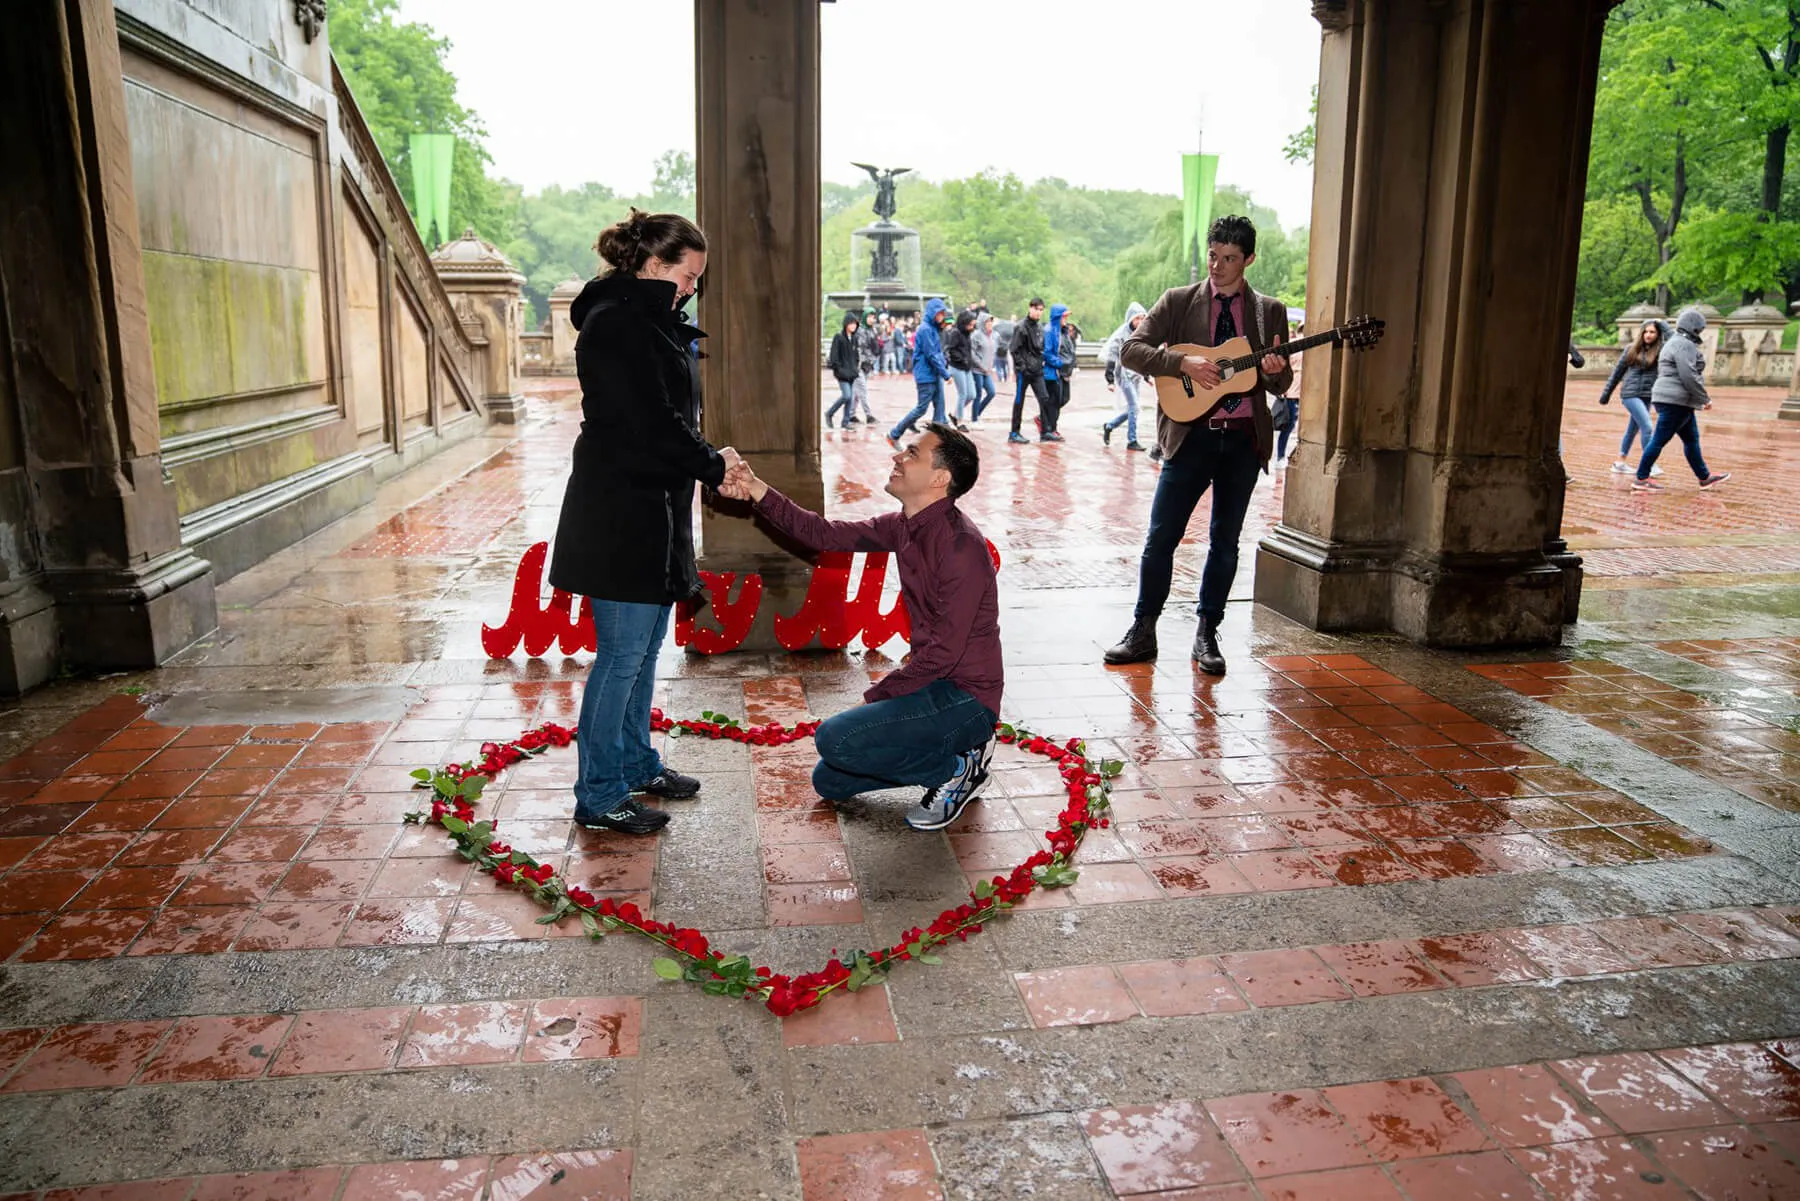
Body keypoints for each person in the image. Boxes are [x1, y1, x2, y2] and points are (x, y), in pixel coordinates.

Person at [548, 208, 742, 835]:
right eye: (689, 277)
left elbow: (670, 419)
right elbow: (650, 424)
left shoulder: (644, 319)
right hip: (621, 513)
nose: (692, 290)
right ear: (655, 265)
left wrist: (710, 456)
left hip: (653, 510)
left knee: (644, 649)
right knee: (622, 656)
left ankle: (634, 762)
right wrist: (713, 465)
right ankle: (600, 795)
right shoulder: (618, 324)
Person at [718, 425, 1000, 831]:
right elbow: (821, 534)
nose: (897, 458)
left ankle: (957, 768)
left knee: (835, 739)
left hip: (967, 696)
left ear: (940, 479)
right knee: (829, 780)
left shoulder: (961, 548)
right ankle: (948, 756)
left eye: (912, 454)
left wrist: (874, 698)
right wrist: (754, 486)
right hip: (932, 684)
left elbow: (944, 654)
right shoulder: (903, 524)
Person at [1105, 215, 1291, 674]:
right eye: (1213, 255)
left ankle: (1207, 633)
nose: (1218, 266)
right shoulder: (1178, 300)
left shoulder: (1269, 311)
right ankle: (1143, 629)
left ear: (1248, 259)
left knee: (1224, 543)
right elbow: (1132, 350)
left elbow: (1280, 381)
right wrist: (1181, 363)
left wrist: (1271, 367)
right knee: (1161, 537)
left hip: (1244, 441)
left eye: (1230, 259)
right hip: (1189, 438)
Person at [1634, 306, 1730, 492]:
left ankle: (1704, 477)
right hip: (1675, 401)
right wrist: (1704, 398)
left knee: (1691, 439)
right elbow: (1688, 375)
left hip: (1675, 400)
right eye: (1700, 328)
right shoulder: (1683, 344)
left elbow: (1692, 366)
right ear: (1693, 327)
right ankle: (1641, 478)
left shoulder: (1676, 342)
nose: (1701, 331)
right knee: (1659, 440)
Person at [1599, 318, 1668, 477]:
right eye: (1646, 331)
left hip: (1647, 395)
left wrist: (1662, 324)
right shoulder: (1631, 349)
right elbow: (1617, 372)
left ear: (1658, 335)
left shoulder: (1660, 350)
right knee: (1648, 427)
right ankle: (1649, 464)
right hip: (1630, 394)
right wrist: (1606, 394)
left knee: (1633, 429)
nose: (1648, 335)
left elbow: (1673, 341)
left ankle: (1620, 463)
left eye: (1652, 332)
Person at [889, 298, 952, 445]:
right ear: (932, 313)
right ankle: (894, 433)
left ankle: (940, 440)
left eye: (943, 313)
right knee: (922, 408)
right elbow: (931, 355)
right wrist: (945, 374)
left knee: (940, 407)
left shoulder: (933, 329)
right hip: (926, 375)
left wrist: (943, 368)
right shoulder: (925, 330)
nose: (942, 317)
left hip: (934, 374)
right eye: (939, 313)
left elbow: (937, 353)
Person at [1102, 302, 1148, 451]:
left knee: (1133, 409)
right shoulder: (1121, 335)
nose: (1140, 322)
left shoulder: (1143, 334)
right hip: (1123, 374)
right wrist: (1110, 379)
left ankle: (1110, 426)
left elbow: (1144, 356)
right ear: (1130, 319)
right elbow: (1112, 355)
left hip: (1135, 375)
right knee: (1134, 406)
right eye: (1137, 319)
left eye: (1142, 318)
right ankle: (1132, 440)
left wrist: (1146, 376)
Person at [1007, 299, 1053, 445]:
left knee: (1044, 398)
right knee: (1019, 401)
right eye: (1037, 309)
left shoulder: (1039, 327)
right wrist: (1022, 367)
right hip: (1024, 372)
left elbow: (1040, 348)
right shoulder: (1020, 327)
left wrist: (1040, 362)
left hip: (1037, 370)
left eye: (1041, 310)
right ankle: (1014, 432)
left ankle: (1045, 431)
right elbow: (1014, 349)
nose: (1039, 312)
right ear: (1030, 308)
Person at [1039, 304, 1072, 442]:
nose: (1066, 319)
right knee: (1053, 401)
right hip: (1050, 372)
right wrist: (1060, 364)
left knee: (1062, 399)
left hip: (1061, 372)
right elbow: (1047, 353)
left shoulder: (1062, 330)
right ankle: (1048, 429)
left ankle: (1049, 425)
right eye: (1064, 316)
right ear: (1058, 316)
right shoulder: (1049, 331)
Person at [824, 313, 861, 428]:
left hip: (852, 373)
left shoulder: (854, 338)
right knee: (846, 396)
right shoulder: (838, 337)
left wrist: (855, 368)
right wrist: (839, 369)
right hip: (842, 373)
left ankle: (845, 422)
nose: (853, 326)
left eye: (855, 324)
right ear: (846, 324)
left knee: (850, 398)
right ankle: (829, 413)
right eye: (851, 323)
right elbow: (833, 356)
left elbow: (856, 355)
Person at [944, 308, 978, 430]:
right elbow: (951, 349)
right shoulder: (955, 333)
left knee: (972, 394)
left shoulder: (968, 333)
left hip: (967, 367)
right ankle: (959, 421)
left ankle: (954, 414)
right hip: (957, 367)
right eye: (970, 325)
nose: (972, 327)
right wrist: (962, 358)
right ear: (964, 323)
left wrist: (969, 360)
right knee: (962, 394)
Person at [851, 309, 880, 424]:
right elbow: (860, 348)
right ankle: (869, 416)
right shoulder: (860, 330)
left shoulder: (873, 330)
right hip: (859, 365)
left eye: (873, 317)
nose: (872, 319)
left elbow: (874, 346)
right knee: (862, 390)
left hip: (868, 364)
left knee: (856, 392)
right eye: (870, 317)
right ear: (865, 317)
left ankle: (851, 415)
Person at [970, 314, 999, 422]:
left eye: (991, 321)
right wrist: (981, 366)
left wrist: (990, 366)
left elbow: (992, 352)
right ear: (982, 323)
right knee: (978, 395)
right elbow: (972, 353)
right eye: (987, 322)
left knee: (991, 393)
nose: (990, 324)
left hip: (987, 371)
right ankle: (974, 420)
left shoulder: (992, 336)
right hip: (977, 370)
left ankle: (977, 413)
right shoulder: (976, 335)